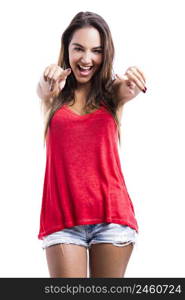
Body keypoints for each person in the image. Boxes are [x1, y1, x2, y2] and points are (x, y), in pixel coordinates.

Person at [37, 11, 147, 278]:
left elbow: (126, 89)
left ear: (105, 54)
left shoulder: (112, 94)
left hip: (112, 217)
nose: (87, 59)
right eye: (79, 49)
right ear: (67, 49)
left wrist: (132, 83)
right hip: (62, 220)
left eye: (96, 51)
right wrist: (47, 78)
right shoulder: (54, 95)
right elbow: (42, 88)